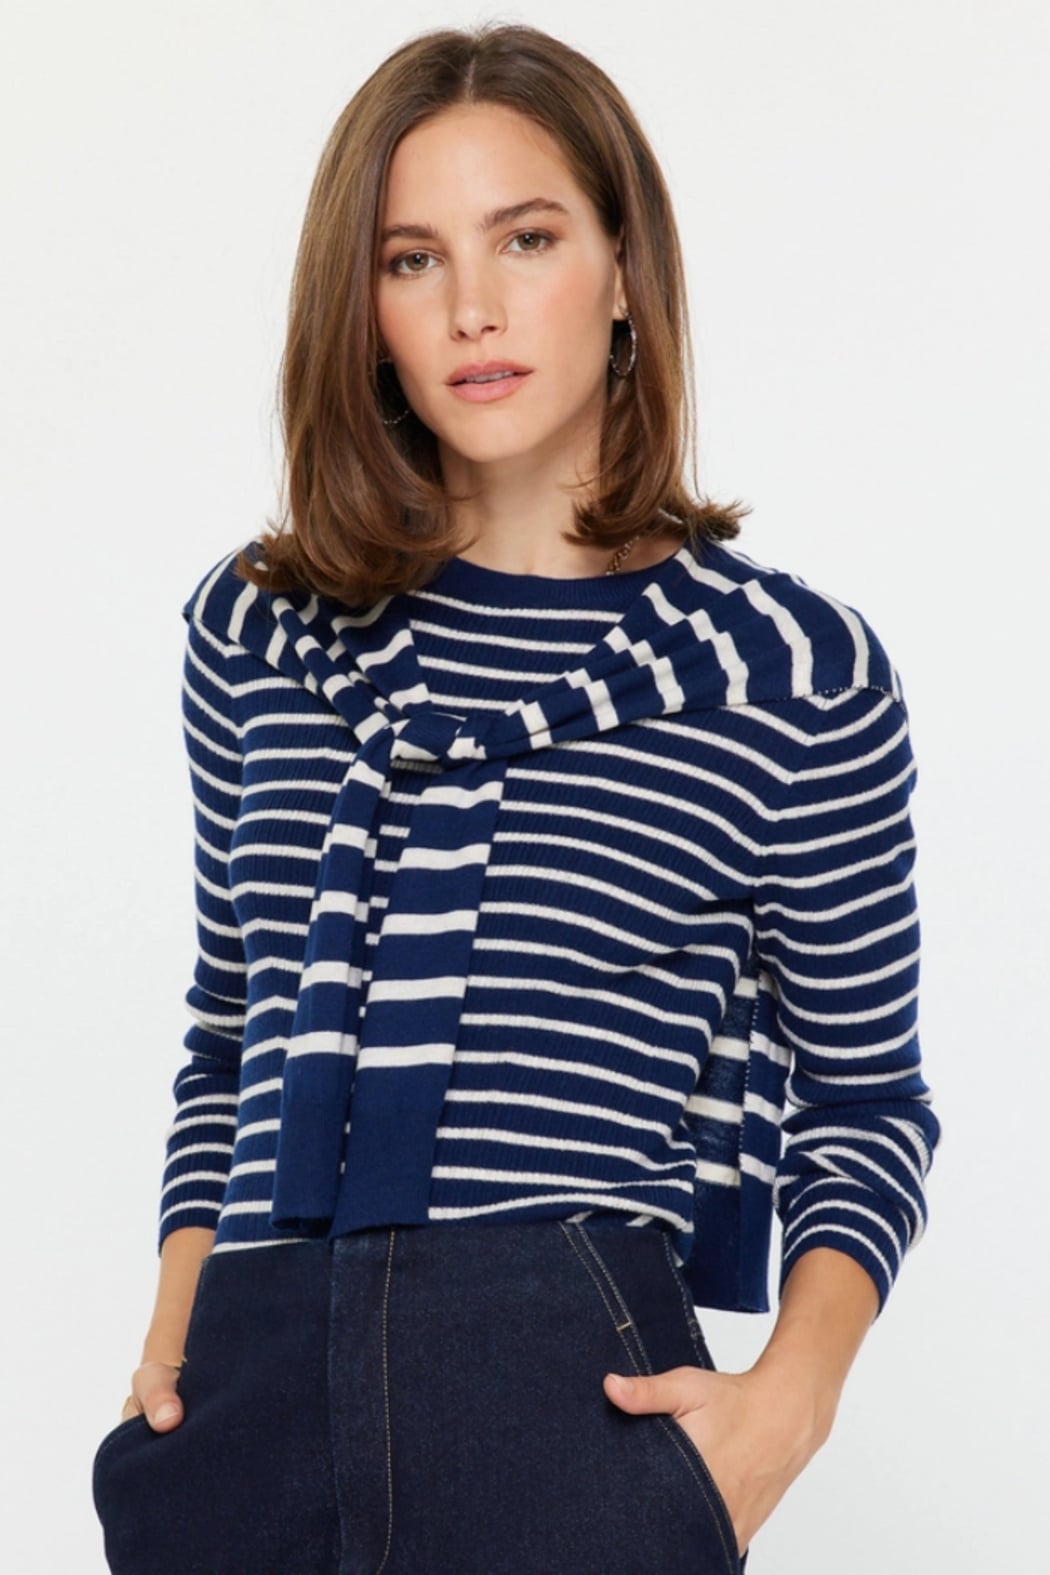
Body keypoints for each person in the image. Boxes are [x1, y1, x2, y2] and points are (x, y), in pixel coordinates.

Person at [91, 21, 940, 1574]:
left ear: (623, 270)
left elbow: (864, 1102)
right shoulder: (258, 630)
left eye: (526, 238)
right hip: (247, 1415)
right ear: (362, 311)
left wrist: (784, 1409)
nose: (469, 307)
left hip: (564, 1420)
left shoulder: (783, 673)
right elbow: (232, 1030)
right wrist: (174, 1347)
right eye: (410, 260)